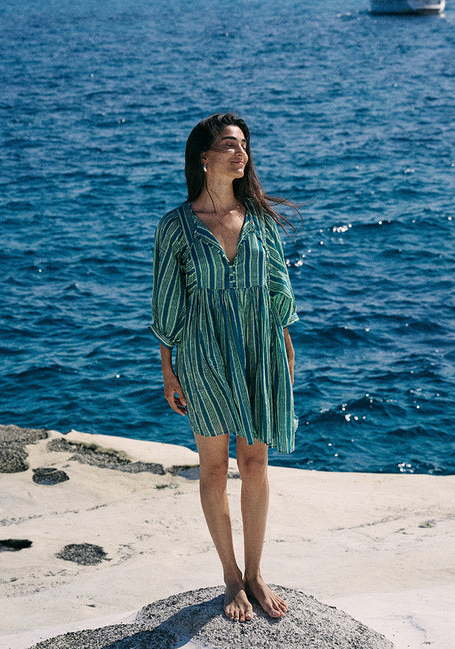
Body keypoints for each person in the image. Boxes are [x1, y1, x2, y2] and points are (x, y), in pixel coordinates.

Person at [150, 112, 298, 622]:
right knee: (214, 466)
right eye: (230, 145)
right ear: (204, 157)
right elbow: (167, 304)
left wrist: (285, 349)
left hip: (260, 353)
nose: (242, 153)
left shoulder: (259, 219)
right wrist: (168, 370)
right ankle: (231, 578)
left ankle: (256, 573)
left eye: (245, 146)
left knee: (255, 463)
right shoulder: (176, 226)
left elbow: (278, 291)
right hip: (202, 354)